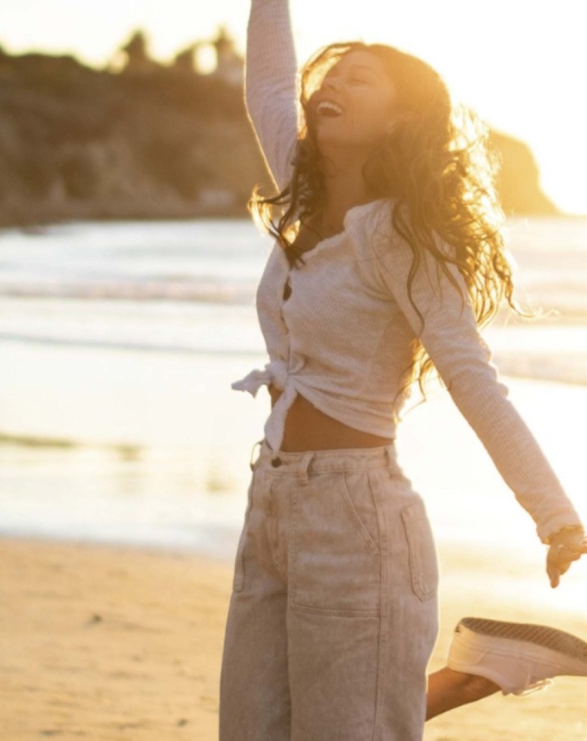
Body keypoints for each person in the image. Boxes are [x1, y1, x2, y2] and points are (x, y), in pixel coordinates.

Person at [223, 1, 587, 738]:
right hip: (271, 501)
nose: (336, 86)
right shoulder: (305, 190)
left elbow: (472, 378)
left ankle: (479, 670)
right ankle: (482, 668)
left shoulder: (402, 237)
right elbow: (266, 79)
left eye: (363, 82)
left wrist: (556, 515)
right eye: (335, 75)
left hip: (356, 520)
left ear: (399, 120)